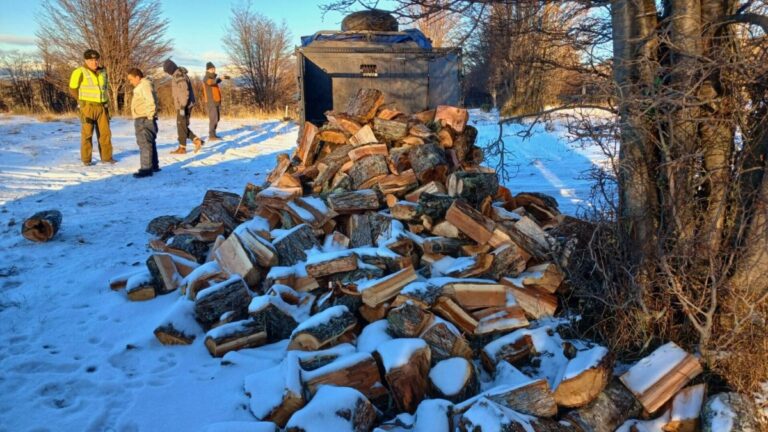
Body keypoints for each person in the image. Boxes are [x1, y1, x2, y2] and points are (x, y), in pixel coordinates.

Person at [69, 49, 115, 165]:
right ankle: (86, 160)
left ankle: (107, 158)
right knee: (87, 134)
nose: (94, 62)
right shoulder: (79, 72)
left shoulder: (103, 72)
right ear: (86, 60)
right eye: (91, 60)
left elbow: (105, 89)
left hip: (102, 107)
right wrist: (81, 102)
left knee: (105, 134)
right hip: (87, 108)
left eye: (96, 60)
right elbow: (72, 88)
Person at [163, 59, 203, 154]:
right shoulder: (179, 74)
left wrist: (182, 106)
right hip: (185, 104)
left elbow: (184, 92)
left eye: (167, 70)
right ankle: (196, 140)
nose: (167, 73)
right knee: (182, 126)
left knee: (181, 125)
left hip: (184, 105)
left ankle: (182, 148)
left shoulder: (178, 75)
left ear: (170, 68)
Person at [127, 68, 159, 178]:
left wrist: (149, 116)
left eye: (131, 79)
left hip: (144, 118)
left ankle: (146, 168)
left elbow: (150, 101)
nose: (130, 82)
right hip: (145, 117)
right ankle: (154, 165)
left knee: (144, 143)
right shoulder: (146, 85)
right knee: (150, 142)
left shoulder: (144, 86)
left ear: (137, 77)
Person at [201, 62, 222, 141]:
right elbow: (211, 82)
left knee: (217, 118)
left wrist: (221, 78)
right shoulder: (206, 78)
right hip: (211, 101)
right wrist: (218, 79)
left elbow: (215, 81)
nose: (213, 70)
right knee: (213, 118)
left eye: (214, 69)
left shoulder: (213, 78)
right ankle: (211, 136)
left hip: (216, 101)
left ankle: (213, 134)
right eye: (211, 69)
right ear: (208, 70)